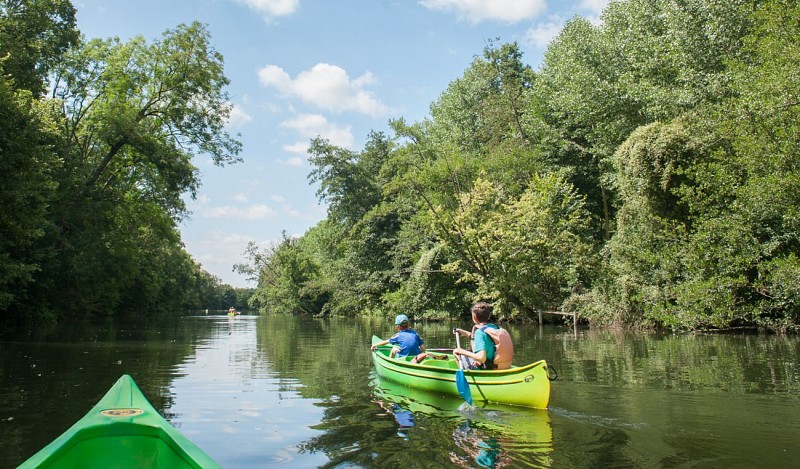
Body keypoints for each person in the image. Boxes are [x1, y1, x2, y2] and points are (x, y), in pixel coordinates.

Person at [453, 302, 511, 370]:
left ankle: (468, 377)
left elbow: (481, 358)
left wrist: (461, 351)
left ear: (474, 317)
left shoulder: (479, 333)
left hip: (488, 368)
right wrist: (464, 333)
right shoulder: (494, 328)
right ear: (488, 316)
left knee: (456, 352)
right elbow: (484, 339)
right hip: (501, 366)